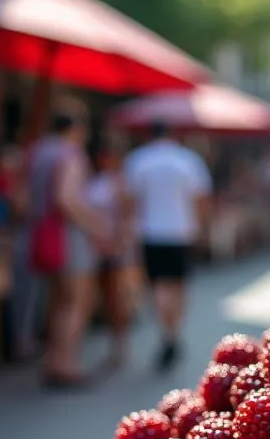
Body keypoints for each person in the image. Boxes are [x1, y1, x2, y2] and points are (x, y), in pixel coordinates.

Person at [123, 122, 212, 371]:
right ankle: (174, 333)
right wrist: (202, 228)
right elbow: (201, 198)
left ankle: (166, 332)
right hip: (182, 232)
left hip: (151, 233)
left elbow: (130, 201)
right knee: (179, 285)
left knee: (158, 286)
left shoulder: (138, 160)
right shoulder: (187, 160)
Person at [27, 102, 104, 388]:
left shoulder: (37, 153)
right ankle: (67, 364)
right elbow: (67, 199)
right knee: (76, 302)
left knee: (57, 301)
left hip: (42, 234)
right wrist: (94, 226)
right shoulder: (71, 154)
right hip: (68, 237)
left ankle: (53, 361)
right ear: (76, 129)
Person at [87, 144, 136, 370]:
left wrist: (118, 241)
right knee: (104, 298)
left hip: (113, 248)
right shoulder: (93, 182)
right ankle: (114, 343)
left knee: (117, 298)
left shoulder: (119, 184)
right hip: (96, 247)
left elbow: (126, 214)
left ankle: (119, 345)